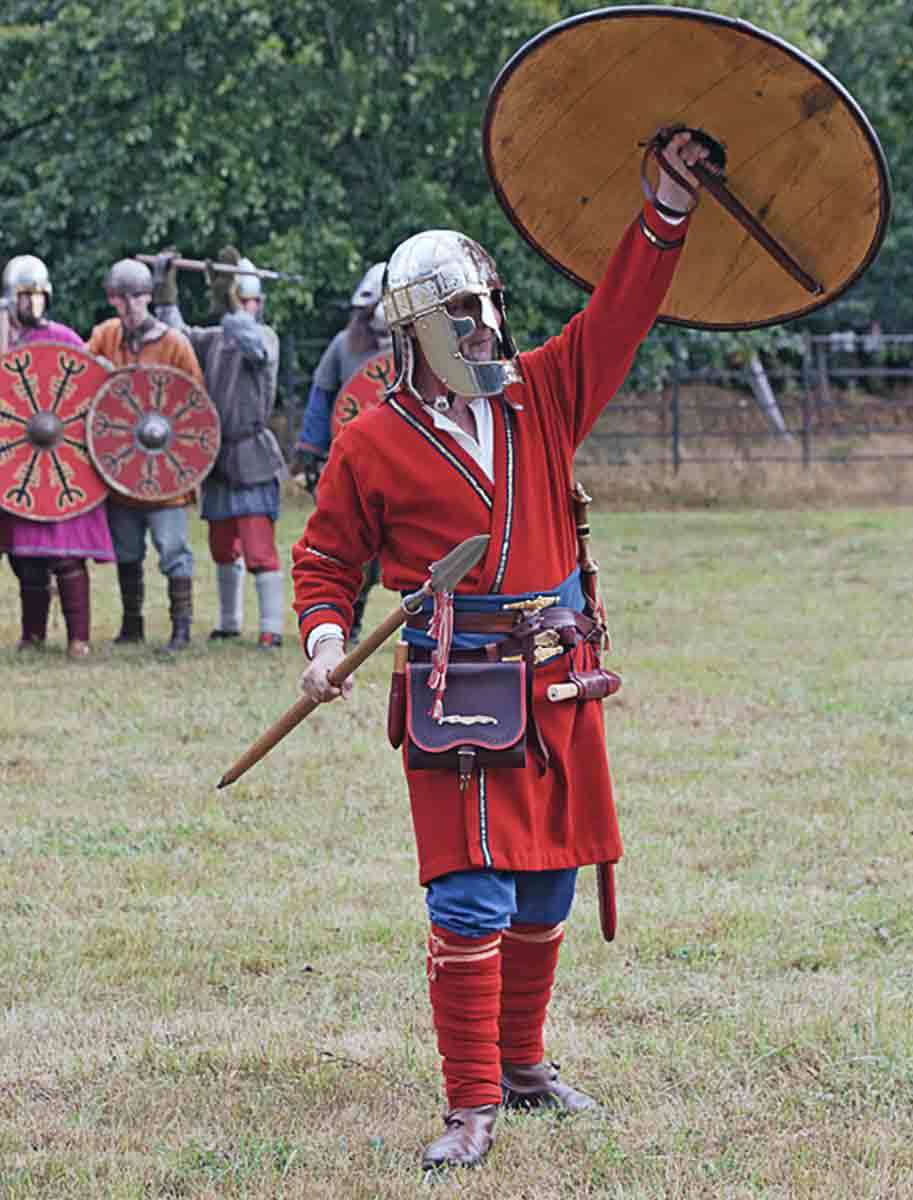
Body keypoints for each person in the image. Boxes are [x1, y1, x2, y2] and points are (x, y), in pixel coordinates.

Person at [290, 131, 713, 1169]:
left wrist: (665, 202)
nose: (480, 328)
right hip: (459, 681)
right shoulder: (370, 440)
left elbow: (619, 313)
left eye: (485, 308)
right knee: (470, 892)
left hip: (557, 671)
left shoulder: (542, 393)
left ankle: (522, 1067)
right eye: (456, 316)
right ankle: (470, 1102)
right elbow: (326, 559)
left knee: (545, 886)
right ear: (409, 334)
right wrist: (326, 639)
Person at [153, 248, 285, 649]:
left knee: (258, 547)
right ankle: (229, 623)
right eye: (239, 300)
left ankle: (271, 627)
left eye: (248, 301)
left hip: (252, 454)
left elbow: (250, 342)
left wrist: (231, 307)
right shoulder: (214, 340)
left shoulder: (264, 338)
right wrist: (165, 289)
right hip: (217, 455)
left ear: (258, 303)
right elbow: (175, 335)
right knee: (223, 546)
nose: (246, 308)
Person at [0, 255, 115, 658]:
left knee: (67, 557)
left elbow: (92, 385)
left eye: (38, 296)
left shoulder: (62, 338)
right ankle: (33, 635)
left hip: (64, 464)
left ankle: (78, 638)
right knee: (25, 559)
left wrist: (100, 368)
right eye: (24, 296)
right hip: (17, 467)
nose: (32, 304)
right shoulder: (4, 343)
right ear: (11, 299)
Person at [87, 259, 203, 651]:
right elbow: (83, 383)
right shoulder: (105, 336)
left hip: (164, 470)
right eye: (122, 298)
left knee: (173, 550)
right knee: (127, 551)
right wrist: (99, 372)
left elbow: (194, 404)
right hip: (120, 466)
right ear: (112, 299)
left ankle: (181, 628)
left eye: (137, 296)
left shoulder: (174, 344)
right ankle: (131, 624)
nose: (130, 305)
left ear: (149, 297)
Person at [291, 262, 390, 642]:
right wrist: (309, 452)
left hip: (406, 464)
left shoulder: (420, 348)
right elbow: (322, 400)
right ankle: (350, 622)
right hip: (354, 463)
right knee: (354, 549)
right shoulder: (344, 346)